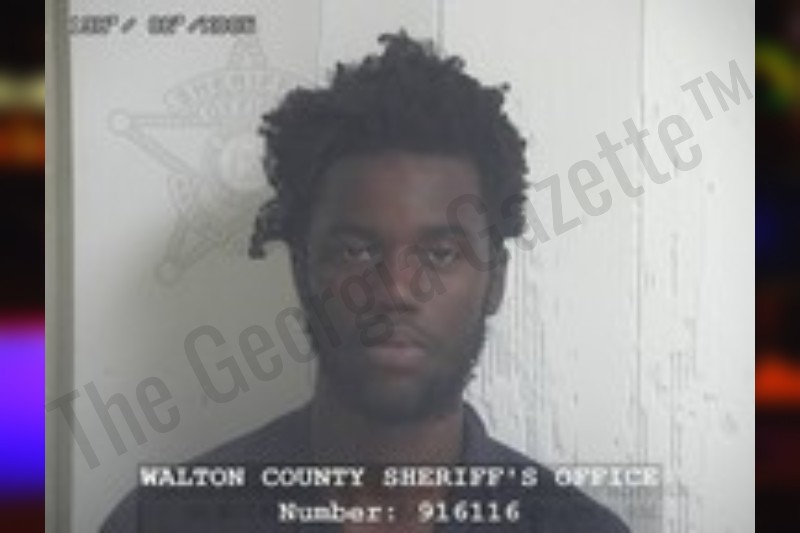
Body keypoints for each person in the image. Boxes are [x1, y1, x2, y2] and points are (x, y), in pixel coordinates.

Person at [102, 32, 629, 532]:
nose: (396, 289)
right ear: (301, 270)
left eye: (440, 253)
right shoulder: (163, 521)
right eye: (356, 251)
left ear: (495, 282)